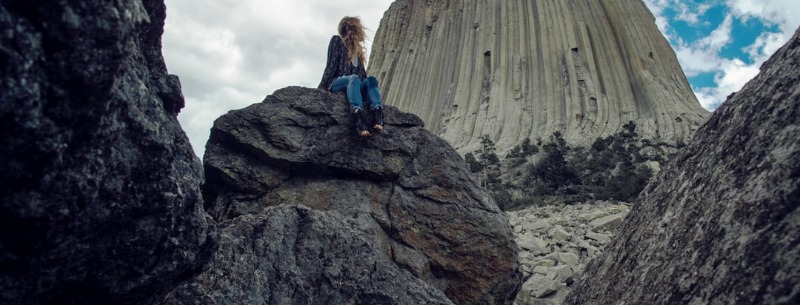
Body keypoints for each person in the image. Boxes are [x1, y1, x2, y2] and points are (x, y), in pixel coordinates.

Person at [318, 16, 384, 137]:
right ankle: (358, 116)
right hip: (336, 83)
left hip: (354, 85)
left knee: (371, 80)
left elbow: (363, 77)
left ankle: (378, 113)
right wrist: (321, 89)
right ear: (354, 29)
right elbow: (330, 66)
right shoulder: (337, 41)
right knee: (353, 77)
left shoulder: (358, 53)